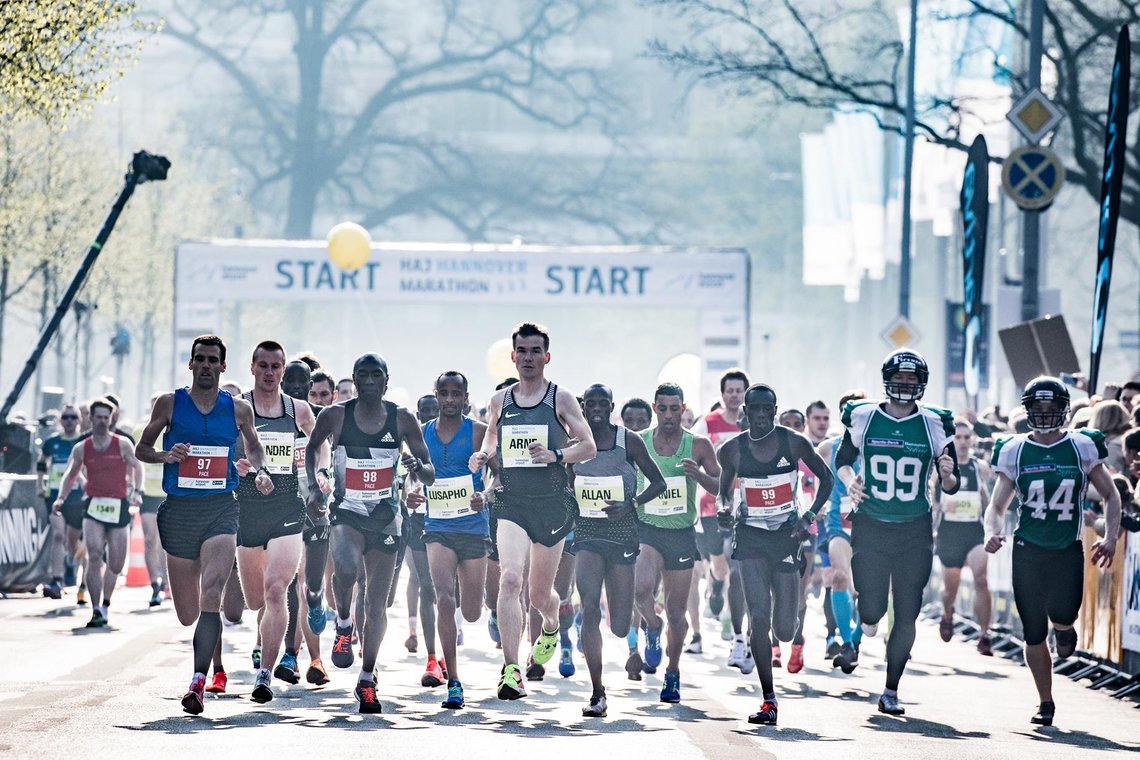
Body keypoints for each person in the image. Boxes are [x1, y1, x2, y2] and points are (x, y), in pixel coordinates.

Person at [135, 334, 274, 715]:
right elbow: (141, 448)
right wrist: (167, 454)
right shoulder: (170, 403)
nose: (208, 365)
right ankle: (199, 658)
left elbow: (254, 444)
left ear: (223, 366)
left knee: (211, 591)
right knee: (187, 613)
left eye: (214, 359)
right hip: (179, 511)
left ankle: (198, 682)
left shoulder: (239, 409)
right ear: (192, 364)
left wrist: (260, 470)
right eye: (201, 359)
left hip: (220, 509)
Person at [467, 322, 595, 700]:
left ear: (546, 357)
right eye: (522, 351)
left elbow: (587, 446)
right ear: (513, 356)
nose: (528, 358)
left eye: (535, 351)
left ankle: (552, 624)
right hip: (511, 501)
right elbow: (493, 435)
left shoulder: (561, 399)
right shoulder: (500, 401)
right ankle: (511, 670)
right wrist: (485, 454)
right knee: (510, 580)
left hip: (551, 504)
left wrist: (556, 454)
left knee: (541, 596)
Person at [984, 376, 1121, 726]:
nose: (1044, 415)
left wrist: (1110, 536)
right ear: (1027, 410)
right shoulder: (1014, 449)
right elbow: (998, 505)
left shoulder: (1081, 447)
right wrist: (993, 531)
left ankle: (1064, 627)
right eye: (1038, 408)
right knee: (1032, 630)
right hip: (1028, 548)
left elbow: (1111, 494)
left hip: (1066, 547)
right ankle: (1045, 702)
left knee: (1063, 614)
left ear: (1064, 410)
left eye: (1051, 408)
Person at [306, 353, 435, 714]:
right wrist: (317, 487)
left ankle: (366, 679)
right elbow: (314, 446)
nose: (368, 381)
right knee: (346, 571)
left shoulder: (402, 418)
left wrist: (415, 465)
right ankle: (344, 622)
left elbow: (429, 472)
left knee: (376, 604)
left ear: (386, 380)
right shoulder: (335, 415)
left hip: (386, 516)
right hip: (347, 511)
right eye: (361, 375)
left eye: (375, 375)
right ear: (354, 379)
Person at [835, 348, 958, 716]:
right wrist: (849, 483)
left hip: (914, 529)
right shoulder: (863, 416)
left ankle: (891, 690)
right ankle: (867, 617)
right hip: (871, 524)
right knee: (871, 611)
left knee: (907, 612)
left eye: (911, 380)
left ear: (921, 384)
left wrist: (948, 473)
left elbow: (952, 484)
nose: (905, 385)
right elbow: (842, 461)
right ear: (887, 379)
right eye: (900, 378)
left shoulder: (934, 423)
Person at [716, 384, 833, 726]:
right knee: (759, 618)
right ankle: (769, 699)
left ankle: (794, 630)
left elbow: (825, 481)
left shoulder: (794, 442)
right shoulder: (732, 451)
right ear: (746, 413)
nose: (763, 417)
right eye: (756, 411)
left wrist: (809, 517)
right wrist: (724, 510)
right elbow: (724, 494)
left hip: (786, 536)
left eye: (769, 411)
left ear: (776, 411)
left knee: (784, 628)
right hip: (750, 537)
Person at [234, 341, 327, 703]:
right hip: (248, 507)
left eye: (276, 367)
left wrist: (318, 473)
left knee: (277, 591)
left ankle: (264, 675)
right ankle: (264, 639)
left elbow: (319, 442)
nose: (270, 373)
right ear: (252, 368)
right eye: (264, 366)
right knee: (257, 600)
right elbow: (224, 446)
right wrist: (236, 465)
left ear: (284, 371)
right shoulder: (239, 407)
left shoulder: (298, 410)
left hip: (288, 504)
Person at [573, 384, 666, 716]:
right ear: (583, 406)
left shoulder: (629, 440)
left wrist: (631, 504)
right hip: (586, 533)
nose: (596, 408)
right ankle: (598, 692)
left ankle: (653, 626)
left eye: (602, 403)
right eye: (590, 403)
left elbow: (659, 483)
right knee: (589, 607)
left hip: (622, 534)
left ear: (611, 406)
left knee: (620, 624)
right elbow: (561, 482)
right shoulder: (574, 443)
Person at [412, 371, 494, 709]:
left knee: (472, 612)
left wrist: (485, 496)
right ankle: (455, 681)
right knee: (443, 598)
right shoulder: (421, 434)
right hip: (438, 527)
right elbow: (413, 475)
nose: (449, 399)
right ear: (435, 395)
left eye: (455, 393)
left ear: (465, 396)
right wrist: (413, 494)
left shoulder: (477, 432)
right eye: (443, 393)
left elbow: (499, 475)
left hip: (473, 529)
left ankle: (485, 612)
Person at [634, 383, 720, 702]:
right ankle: (652, 628)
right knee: (640, 588)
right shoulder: (639, 442)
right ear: (655, 409)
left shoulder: (697, 444)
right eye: (663, 409)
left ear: (683, 409)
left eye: (675, 409)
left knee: (676, 611)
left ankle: (673, 672)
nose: (669, 415)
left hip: (681, 533)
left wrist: (698, 476)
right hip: (648, 529)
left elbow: (720, 484)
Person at [54, 399, 144, 627]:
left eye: (106, 417)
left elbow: (137, 465)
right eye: (99, 417)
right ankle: (96, 609)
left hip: (118, 505)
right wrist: (61, 498)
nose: (103, 422)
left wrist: (138, 492)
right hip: (93, 506)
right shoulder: (82, 447)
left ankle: (106, 603)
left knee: (115, 563)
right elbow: (71, 474)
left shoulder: (122, 444)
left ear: (111, 419)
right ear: (90, 418)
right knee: (94, 556)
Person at [690, 370, 749, 666]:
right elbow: (694, 453)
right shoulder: (708, 423)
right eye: (731, 390)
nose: (735, 395)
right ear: (723, 393)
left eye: (740, 390)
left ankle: (733, 620)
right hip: (711, 506)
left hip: (745, 507)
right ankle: (715, 583)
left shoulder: (754, 424)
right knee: (720, 564)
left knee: (734, 560)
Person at [817, 390, 868, 672]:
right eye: (846, 410)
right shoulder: (829, 448)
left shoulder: (878, 445)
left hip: (872, 527)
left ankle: (857, 640)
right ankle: (846, 644)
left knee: (867, 591)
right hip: (839, 524)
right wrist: (819, 504)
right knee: (838, 578)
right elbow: (814, 477)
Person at [934, 419, 994, 655]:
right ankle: (948, 613)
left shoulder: (979, 467)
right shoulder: (942, 466)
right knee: (951, 589)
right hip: (949, 533)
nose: (962, 442)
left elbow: (986, 497)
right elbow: (934, 500)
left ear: (973, 439)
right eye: (957, 437)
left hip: (973, 531)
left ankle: (984, 635)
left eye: (966, 437)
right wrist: (936, 514)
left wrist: (992, 522)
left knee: (981, 579)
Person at [40, 404, 84, 601]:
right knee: (58, 535)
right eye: (65, 417)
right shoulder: (51, 442)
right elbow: (41, 462)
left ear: (79, 420)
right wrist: (39, 484)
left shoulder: (83, 442)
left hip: (78, 497)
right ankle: (56, 580)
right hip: (55, 496)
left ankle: (70, 563)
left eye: (72, 417)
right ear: (60, 420)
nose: (68, 421)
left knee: (73, 541)